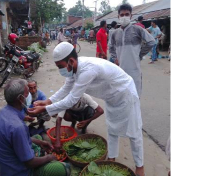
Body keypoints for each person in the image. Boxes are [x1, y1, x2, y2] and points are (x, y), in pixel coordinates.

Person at [28, 42, 145, 176]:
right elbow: (66, 88)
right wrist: (46, 102)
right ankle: (112, 157)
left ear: (71, 60)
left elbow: (71, 99)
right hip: (112, 98)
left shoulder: (87, 70)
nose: (60, 70)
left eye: (60, 66)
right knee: (112, 128)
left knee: (134, 131)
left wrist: (45, 109)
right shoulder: (74, 68)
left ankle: (140, 166)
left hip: (125, 93)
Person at [0, 79, 68, 176]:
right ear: (21, 98)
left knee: (38, 138)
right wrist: (50, 157)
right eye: (27, 93)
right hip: (18, 172)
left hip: (5, 167)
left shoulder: (2, 113)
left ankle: (40, 150)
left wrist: (40, 142)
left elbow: (17, 139)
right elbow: (29, 163)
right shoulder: (17, 127)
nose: (30, 96)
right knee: (61, 168)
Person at [109, 4, 156, 98]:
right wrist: (115, 58)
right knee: (121, 97)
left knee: (134, 96)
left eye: (127, 14)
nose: (124, 17)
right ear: (118, 16)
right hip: (120, 71)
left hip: (134, 70)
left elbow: (151, 42)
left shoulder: (138, 29)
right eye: (122, 15)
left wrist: (139, 54)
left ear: (131, 16)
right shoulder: (115, 33)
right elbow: (110, 47)